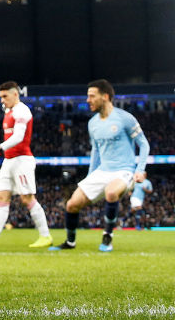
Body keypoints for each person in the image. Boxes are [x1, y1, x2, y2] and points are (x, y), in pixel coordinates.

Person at [50, 79, 150, 252]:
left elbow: (144, 144)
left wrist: (139, 171)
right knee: (71, 204)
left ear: (105, 96)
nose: (88, 100)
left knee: (111, 193)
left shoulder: (125, 118)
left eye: (91, 96)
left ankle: (107, 237)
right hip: (102, 171)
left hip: (124, 171)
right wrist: (90, 176)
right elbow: (96, 152)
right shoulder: (92, 123)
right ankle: (70, 242)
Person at [0, 81, 52, 248]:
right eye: (0, 96)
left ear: (15, 94)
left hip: (22, 160)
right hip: (9, 161)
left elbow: (19, 136)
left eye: (4, 96)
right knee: (1, 197)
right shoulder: (9, 111)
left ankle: (45, 236)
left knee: (27, 198)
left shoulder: (22, 111)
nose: (2, 100)